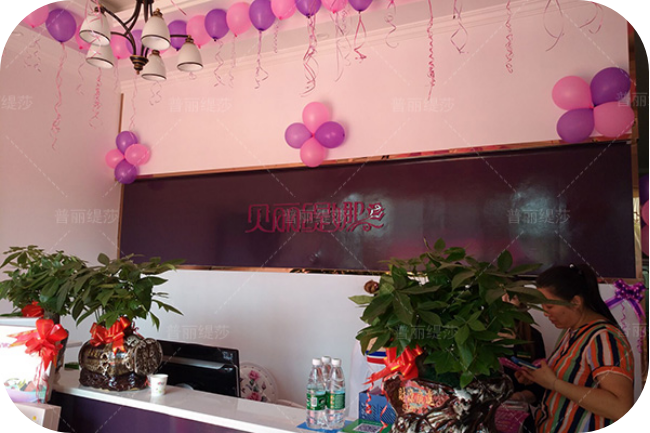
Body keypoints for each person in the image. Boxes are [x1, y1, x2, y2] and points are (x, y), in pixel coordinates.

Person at [516, 264, 634, 433]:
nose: (546, 313)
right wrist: (537, 377)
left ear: (575, 302)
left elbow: (620, 408)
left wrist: (554, 383)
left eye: (549, 307)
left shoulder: (604, 337)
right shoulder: (571, 332)